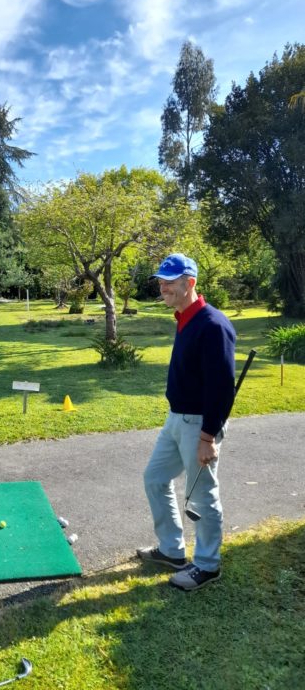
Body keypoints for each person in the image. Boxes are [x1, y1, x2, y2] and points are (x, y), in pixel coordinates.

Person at [137, 253, 236, 590]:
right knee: (154, 478)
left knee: (202, 495)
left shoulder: (212, 325)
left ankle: (207, 565)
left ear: (189, 283)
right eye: (161, 280)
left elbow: (222, 389)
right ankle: (172, 550)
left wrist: (208, 437)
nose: (162, 286)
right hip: (176, 419)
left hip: (200, 427)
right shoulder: (184, 318)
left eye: (170, 281)